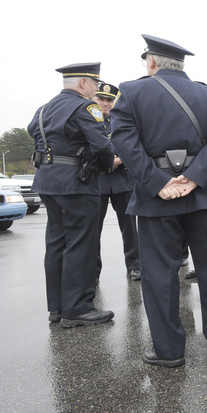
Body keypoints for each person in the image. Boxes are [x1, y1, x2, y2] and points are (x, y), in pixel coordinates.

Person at [109, 35, 207, 368]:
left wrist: (158, 182)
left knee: (160, 274)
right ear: (181, 64)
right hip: (202, 194)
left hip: (157, 200)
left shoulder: (131, 92)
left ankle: (169, 350)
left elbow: (123, 139)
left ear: (151, 62)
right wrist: (196, 176)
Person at [28, 63, 116, 327]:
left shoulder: (43, 109)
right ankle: (77, 309)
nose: (97, 89)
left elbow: (33, 132)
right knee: (81, 244)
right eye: (95, 84)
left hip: (47, 182)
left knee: (56, 243)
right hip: (77, 183)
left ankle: (57, 308)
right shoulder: (84, 107)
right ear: (83, 83)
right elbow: (101, 144)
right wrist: (109, 163)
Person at [94, 82, 141, 282]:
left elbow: (134, 143)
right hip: (97, 181)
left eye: (109, 100)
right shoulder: (87, 119)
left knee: (129, 228)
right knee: (92, 230)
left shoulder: (122, 120)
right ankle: (92, 273)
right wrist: (104, 162)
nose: (105, 103)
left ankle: (135, 267)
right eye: (101, 99)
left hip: (122, 179)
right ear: (93, 100)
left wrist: (119, 159)